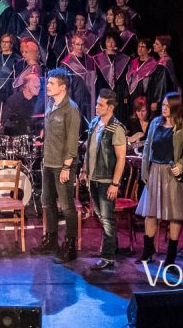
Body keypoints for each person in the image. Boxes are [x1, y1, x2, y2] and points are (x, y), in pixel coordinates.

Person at [136, 93, 183, 266]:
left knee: (174, 215)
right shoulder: (156, 123)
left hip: (173, 174)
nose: (164, 108)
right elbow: (148, 146)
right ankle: (148, 251)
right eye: (163, 105)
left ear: (176, 107)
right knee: (150, 213)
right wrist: (145, 171)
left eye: (167, 105)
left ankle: (171, 255)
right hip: (156, 170)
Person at [34, 69, 82, 263]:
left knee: (67, 206)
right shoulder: (51, 105)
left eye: (51, 83)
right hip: (49, 162)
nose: (47, 86)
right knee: (47, 202)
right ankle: (52, 240)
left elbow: (72, 141)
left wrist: (66, 167)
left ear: (62, 87)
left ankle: (70, 246)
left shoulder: (71, 109)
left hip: (63, 165)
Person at [82, 89, 126, 271]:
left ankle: (108, 256)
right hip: (93, 177)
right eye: (97, 103)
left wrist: (115, 183)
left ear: (111, 107)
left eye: (101, 104)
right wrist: (85, 170)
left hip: (107, 179)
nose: (97, 107)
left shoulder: (117, 128)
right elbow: (89, 150)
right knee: (100, 215)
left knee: (107, 218)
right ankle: (112, 246)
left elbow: (121, 158)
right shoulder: (94, 123)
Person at [61, 33, 97, 119]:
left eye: (82, 44)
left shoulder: (90, 60)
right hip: (75, 98)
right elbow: (65, 85)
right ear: (73, 45)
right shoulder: (66, 62)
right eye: (77, 44)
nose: (80, 47)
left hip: (89, 97)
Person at [0, 71, 44, 137]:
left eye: (39, 87)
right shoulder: (13, 100)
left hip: (35, 137)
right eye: (36, 87)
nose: (39, 89)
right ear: (27, 86)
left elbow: (44, 119)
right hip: (16, 137)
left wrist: (43, 128)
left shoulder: (40, 100)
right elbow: (4, 121)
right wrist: (0, 126)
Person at [124, 38, 157, 122]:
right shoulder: (133, 62)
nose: (140, 49)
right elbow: (128, 79)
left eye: (143, 47)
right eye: (138, 46)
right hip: (132, 96)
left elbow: (155, 84)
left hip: (144, 96)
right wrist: (125, 95)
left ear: (149, 50)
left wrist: (153, 100)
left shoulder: (153, 64)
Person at [0, 34, 19, 118]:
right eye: (3, 42)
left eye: (7, 42)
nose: (4, 44)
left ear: (12, 44)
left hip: (9, 91)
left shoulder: (17, 59)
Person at [148, 35, 180, 112]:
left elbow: (161, 84)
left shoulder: (164, 63)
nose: (153, 45)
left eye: (157, 44)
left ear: (164, 47)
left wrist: (157, 101)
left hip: (161, 101)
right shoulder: (164, 60)